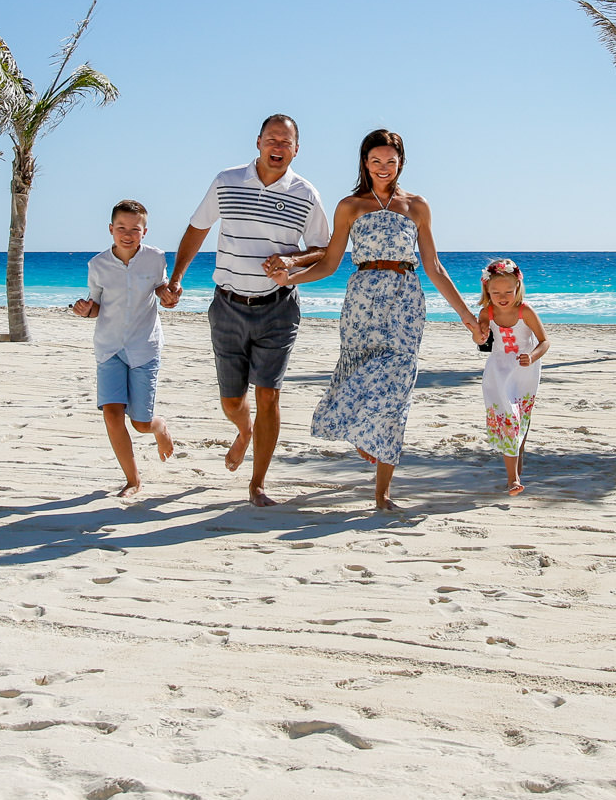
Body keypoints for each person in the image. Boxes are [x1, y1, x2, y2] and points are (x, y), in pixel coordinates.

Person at [274, 129, 478, 511]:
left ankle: (382, 493)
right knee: (359, 374)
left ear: (401, 163)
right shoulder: (350, 206)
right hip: (362, 301)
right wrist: (292, 278)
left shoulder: (417, 206)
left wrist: (466, 316)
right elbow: (331, 262)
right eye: (375, 161)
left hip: (406, 300)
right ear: (364, 163)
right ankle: (361, 434)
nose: (383, 168)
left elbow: (433, 266)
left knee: (398, 390)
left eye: (390, 161)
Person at [160, 115, 329, 507]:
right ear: (257, 142)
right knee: (232, 402)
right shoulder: (227, 181)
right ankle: (244, 430)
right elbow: (197, 228)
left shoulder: (306, 194)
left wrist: (290, 261)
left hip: (279, 309)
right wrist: (178, 277)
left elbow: (323, 249)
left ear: (296, 149)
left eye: (286, 141)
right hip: (227, 306)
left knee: (269, 395)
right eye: (272, 139)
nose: (278, 146)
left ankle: (257, 483)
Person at [71, 199, 176, 497]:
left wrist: (167, 295)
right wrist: (85, 309)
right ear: (110, 229)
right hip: (109, 347)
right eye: (121, 228)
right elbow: (96, 307)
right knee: (112, 414)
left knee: (141, 423)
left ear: (145, 231)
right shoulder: (98, 265)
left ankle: (160, 427)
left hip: (145, 346)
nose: (127, 234)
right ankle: (133, 480)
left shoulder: (156, 258)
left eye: (134, 229)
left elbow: (159, 286)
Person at [469, 258, 550, 496]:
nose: (502, 296)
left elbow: (544, 342)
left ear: (517, 288)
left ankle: (517, 460)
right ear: (487, 291)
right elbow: (480, 340)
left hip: (525, 371)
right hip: (498, 370)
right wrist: (479, 335)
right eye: (495, 292)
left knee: (521, 418)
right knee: (508, 418)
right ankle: (512, 479)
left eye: (508, 291)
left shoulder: (526, 312)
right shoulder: (487, 312)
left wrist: (532, 356)